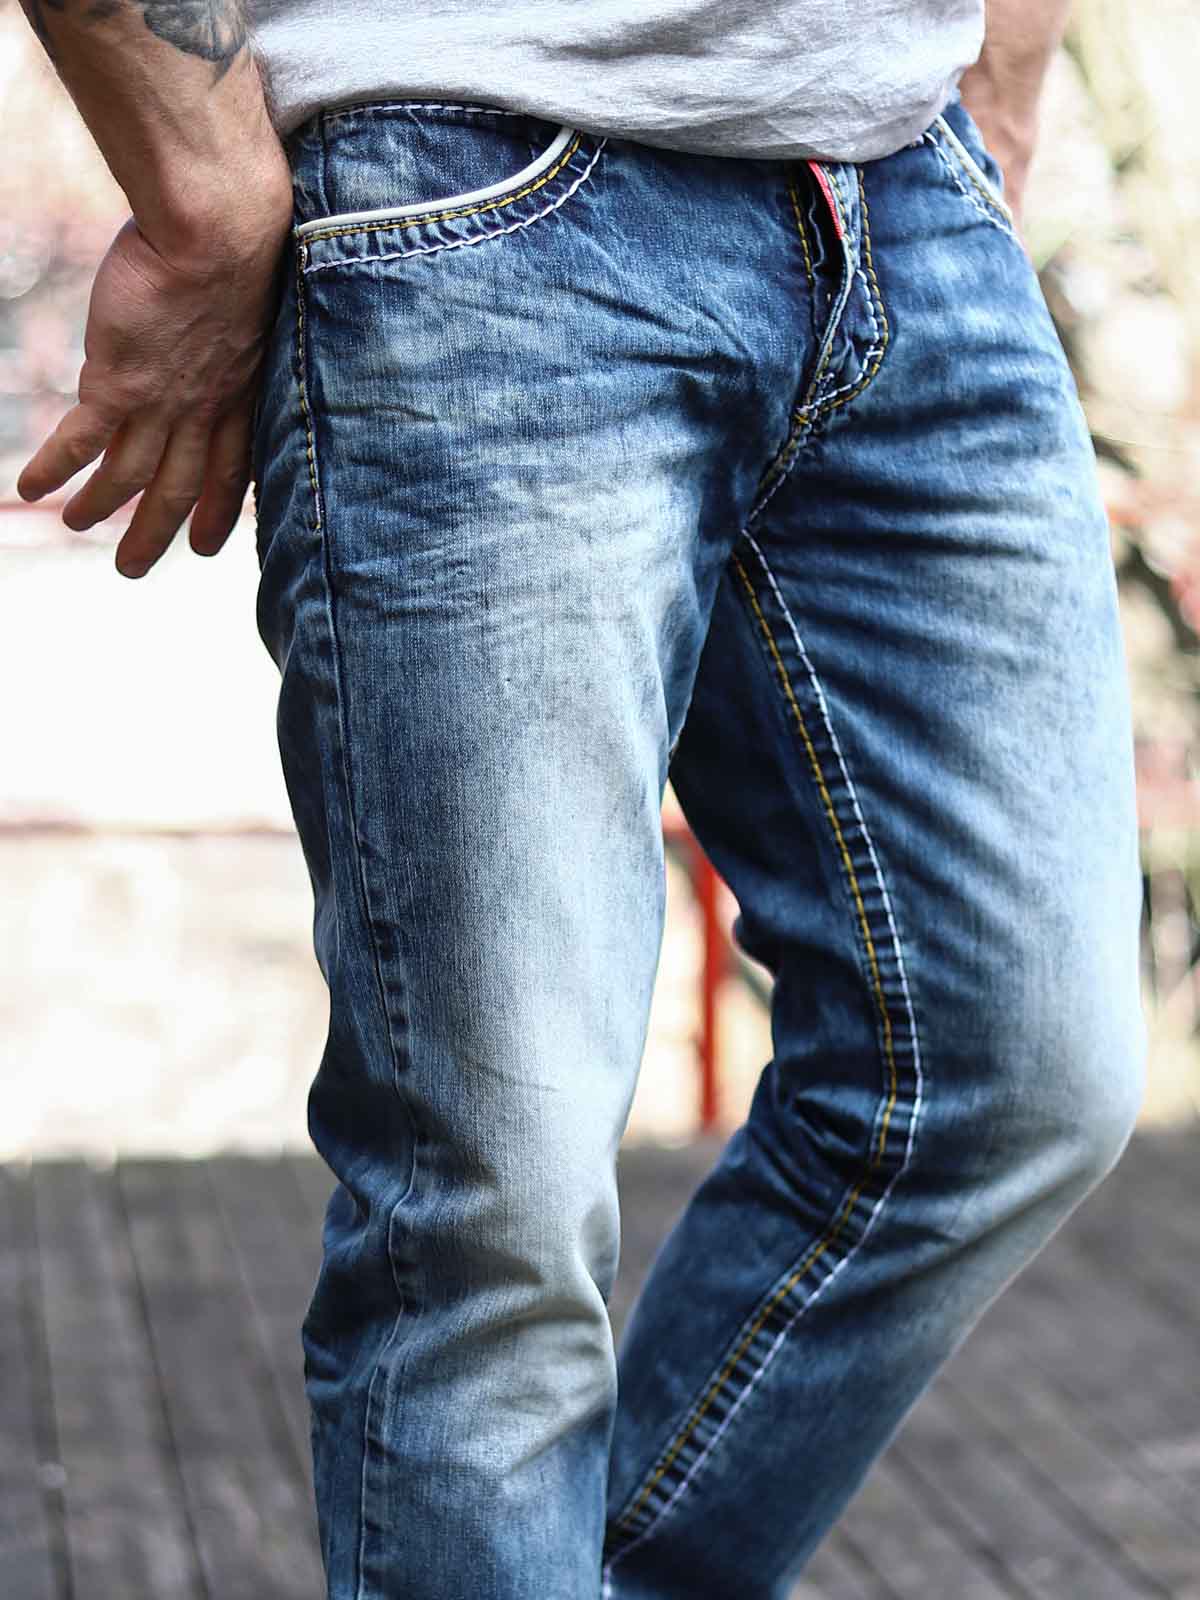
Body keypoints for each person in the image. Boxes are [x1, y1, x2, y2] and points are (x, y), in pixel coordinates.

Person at [17, 1, 1147, 1595]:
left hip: (901, 178)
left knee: (1007, 1070)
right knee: (492, 1219)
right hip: (469, 188)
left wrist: (1000, 68)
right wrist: (200, 186)